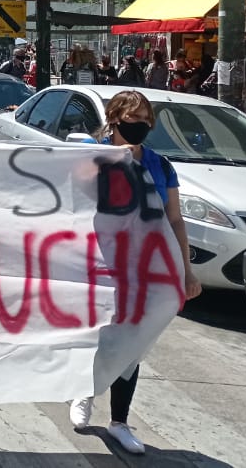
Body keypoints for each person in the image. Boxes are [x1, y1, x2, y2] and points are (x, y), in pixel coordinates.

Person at [69, 89, 201, 454]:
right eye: (133, 120)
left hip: (146, 272)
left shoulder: (161, 166)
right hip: (100, 266)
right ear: (114, 120)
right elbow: (70, 209)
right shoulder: (91, 158)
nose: (140, 126)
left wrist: (186, 272)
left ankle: (119, 422)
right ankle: (84, 392)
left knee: (133, 345)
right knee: (97, 337)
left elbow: (174, 219)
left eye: (145, 121)